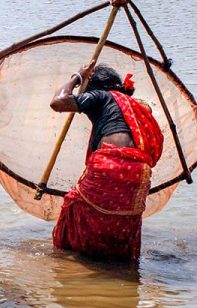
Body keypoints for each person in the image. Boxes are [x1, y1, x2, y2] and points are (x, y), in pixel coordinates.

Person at [49, 62, 163, 260]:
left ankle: (70, 259)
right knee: (123, 219)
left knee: (74, 207)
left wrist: (77, 76)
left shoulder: (102, 96)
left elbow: (58, 102)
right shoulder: (133, 105)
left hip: (110, 165)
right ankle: (117, 264)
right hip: (139, 173)